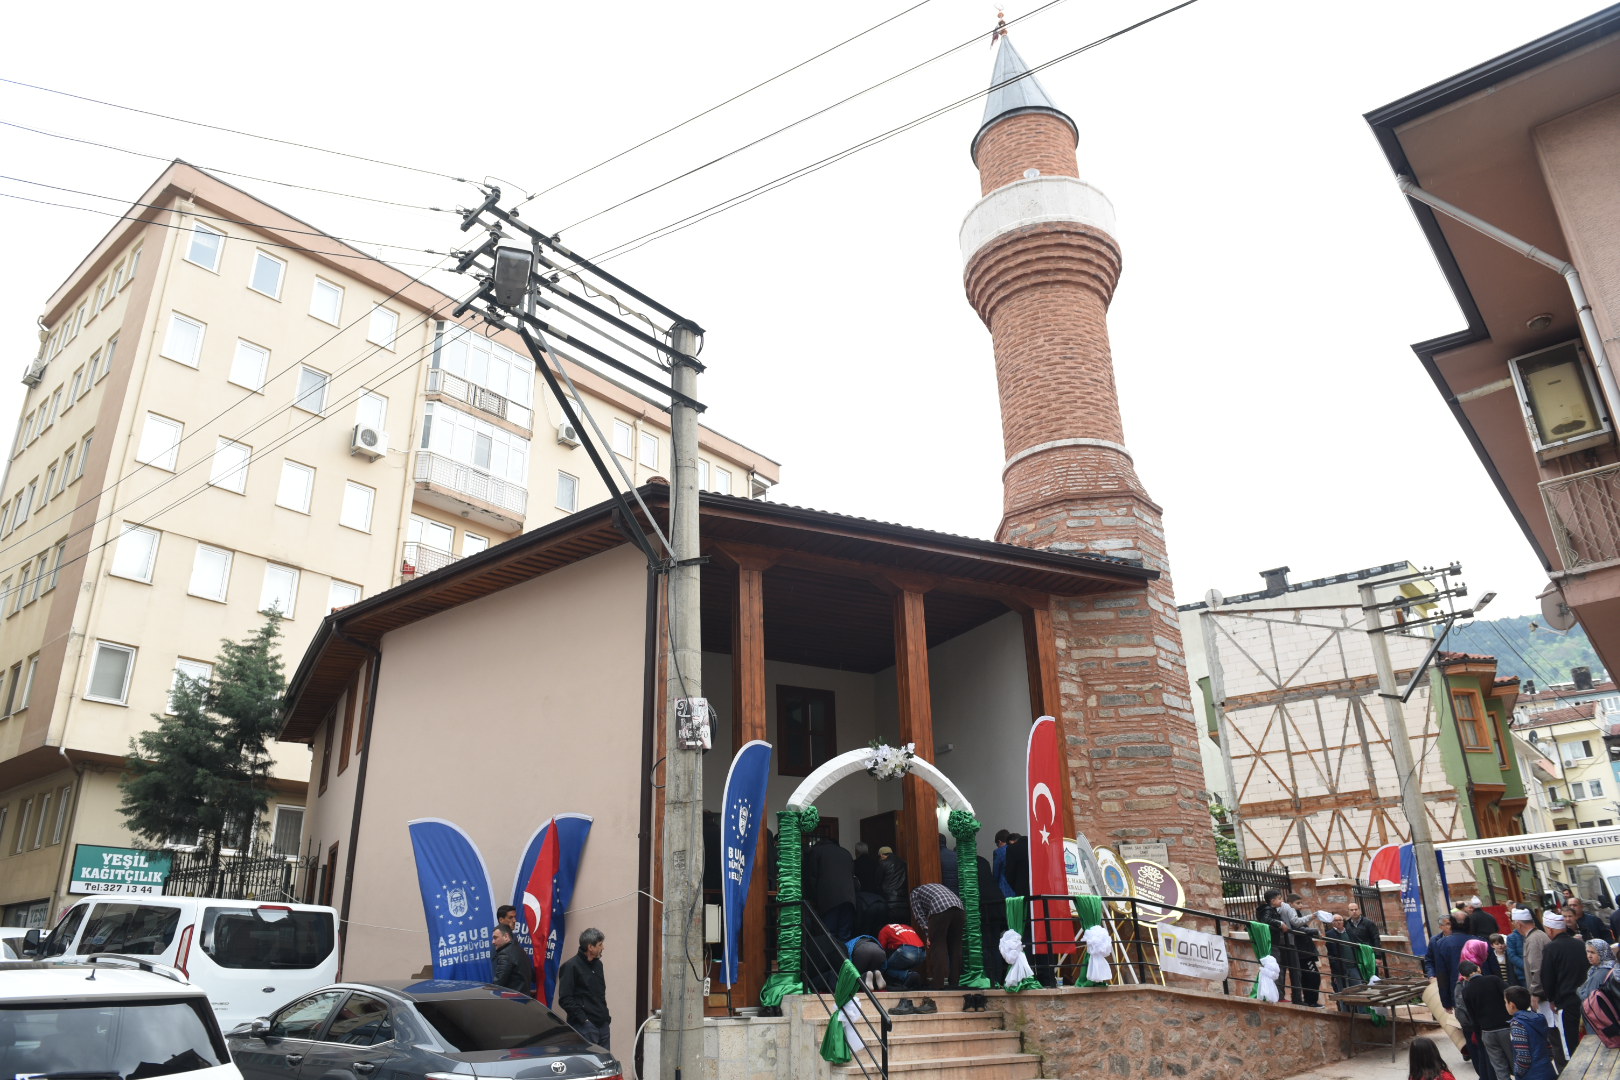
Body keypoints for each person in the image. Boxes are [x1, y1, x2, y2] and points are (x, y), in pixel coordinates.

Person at [1537, 911, 1586, 1061]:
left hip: (1566, 1002)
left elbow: (1547, 977)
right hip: (1586, 1000)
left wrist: (1551, 999)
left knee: (1571, 1044)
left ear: (1550, 929)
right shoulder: (1580, 944)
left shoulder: (1551, 949)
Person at [557, 928, 611, 1050]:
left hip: (603, 1026)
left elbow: (600, 995)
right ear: (590, 947)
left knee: (605, 1061)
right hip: (584, 1027)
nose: (603, 948)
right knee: (587, 1061)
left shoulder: (598, 965)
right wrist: (584, 1020)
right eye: (600, 945)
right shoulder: (570, 966)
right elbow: (565, 999)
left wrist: (606, 1018)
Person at [1460, 955, 1513, 1080]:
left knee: (1499, 1067)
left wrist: (1479, 1037)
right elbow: (1511, 994)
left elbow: (1473, 1017)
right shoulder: (1494, 980)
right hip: (1505, 1028)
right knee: (1516, 1062)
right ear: (1478, 969)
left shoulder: (1466, 991)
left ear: (1465, 977)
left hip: (1487, 1033)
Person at [911, 882, 965, 991]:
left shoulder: (914, 893)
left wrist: (928, 934)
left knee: (938, 946)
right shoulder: (934, 887)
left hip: (940, 909)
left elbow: (919, 915)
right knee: (956, 947)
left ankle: (938, 984)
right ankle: (954, 983)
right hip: (959, 909)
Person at [805, 836, 858, 941]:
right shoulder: (846, 852)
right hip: (849, 898)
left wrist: (813, 898)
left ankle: (830, 952)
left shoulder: (816, 852)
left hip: (828, 899)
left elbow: (812, 878)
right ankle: (844, 952)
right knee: (845, 935)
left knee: (829, 935)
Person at [1258, 889, 1303, 1006]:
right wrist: (1280, 923)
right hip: (1272, 943)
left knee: (1279, 970)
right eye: (1279, 898)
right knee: (1276, 970)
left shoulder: (1272, 910)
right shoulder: (1267, 909)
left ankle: (1280, 996)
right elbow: (1266, 920)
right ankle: (1278, 996)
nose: (1282, 901)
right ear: (1273, 901)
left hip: (1276, 943)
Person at [1506, 984, 1557, 1080]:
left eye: (1505, 1002)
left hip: (1531, 1075)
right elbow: (1548, 1046)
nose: (1505, 1005)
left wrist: (1518, 1073)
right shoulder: (1539, 1018)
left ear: (1512, 1005)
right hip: (1547, 1071)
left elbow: (1523, 1057)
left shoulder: (1517, 1024)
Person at [1285, 893, 1324, 1007]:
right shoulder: (1291, 914)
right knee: (1313, 976)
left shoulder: (1296, 914)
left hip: (1304, 951)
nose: (1300, 905)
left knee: (1309, 976)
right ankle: (1311, 1001)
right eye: (1298, 903)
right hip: (1303, 952)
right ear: (1290, 904)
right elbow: (1296, 928)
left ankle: (1310, 1001)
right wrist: (1313, 931)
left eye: (1301, 903)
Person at [1324, 912, 1363, 1009]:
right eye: (1336, 920)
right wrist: (1335, 967)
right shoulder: (1329, 934)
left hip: (1353, 966)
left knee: (1358, 990)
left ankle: (1361, 1012)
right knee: (1343, 992)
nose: (1338, 922)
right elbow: (1330, 953)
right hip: (1340, 968)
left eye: (1340, 920)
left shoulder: (1349, 933)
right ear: (1332, 922)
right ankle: (1346, 1012)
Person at [1513, 909, 1547, 1008]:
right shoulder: (1539, 935)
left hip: (1543, 996)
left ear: (1518, 924)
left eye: (1514, 923)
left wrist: (1536, 993)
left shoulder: (1533, 939)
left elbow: (1536, 968)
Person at [878, 921, 926, 990]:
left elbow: (881, 951)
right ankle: (908, 980)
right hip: (922, 953)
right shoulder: (907, 927)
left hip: (907, 951)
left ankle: (908, 975)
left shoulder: (884, 929)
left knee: (885, 967)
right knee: (901, 964)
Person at [491, 925, 534, 996]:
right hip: (524, 998)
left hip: (511, 1000)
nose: (493, 942)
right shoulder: (520, 950)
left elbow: (498, 984)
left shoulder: (505, 954)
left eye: (495, 938)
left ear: (506, 937)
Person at [879, 846, 910, 925]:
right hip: (904, 902)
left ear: (882, 855)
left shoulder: (883, 863)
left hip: (890, 902)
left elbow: (877, 881)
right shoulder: (904, 863)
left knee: (891, 928)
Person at [992, 829, 1014, 899]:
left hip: (1003, 888)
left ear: (999, 841)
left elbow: (996, 873)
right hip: (1015, 888)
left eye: (997, 844)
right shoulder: (1014, 849)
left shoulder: (998, 852)